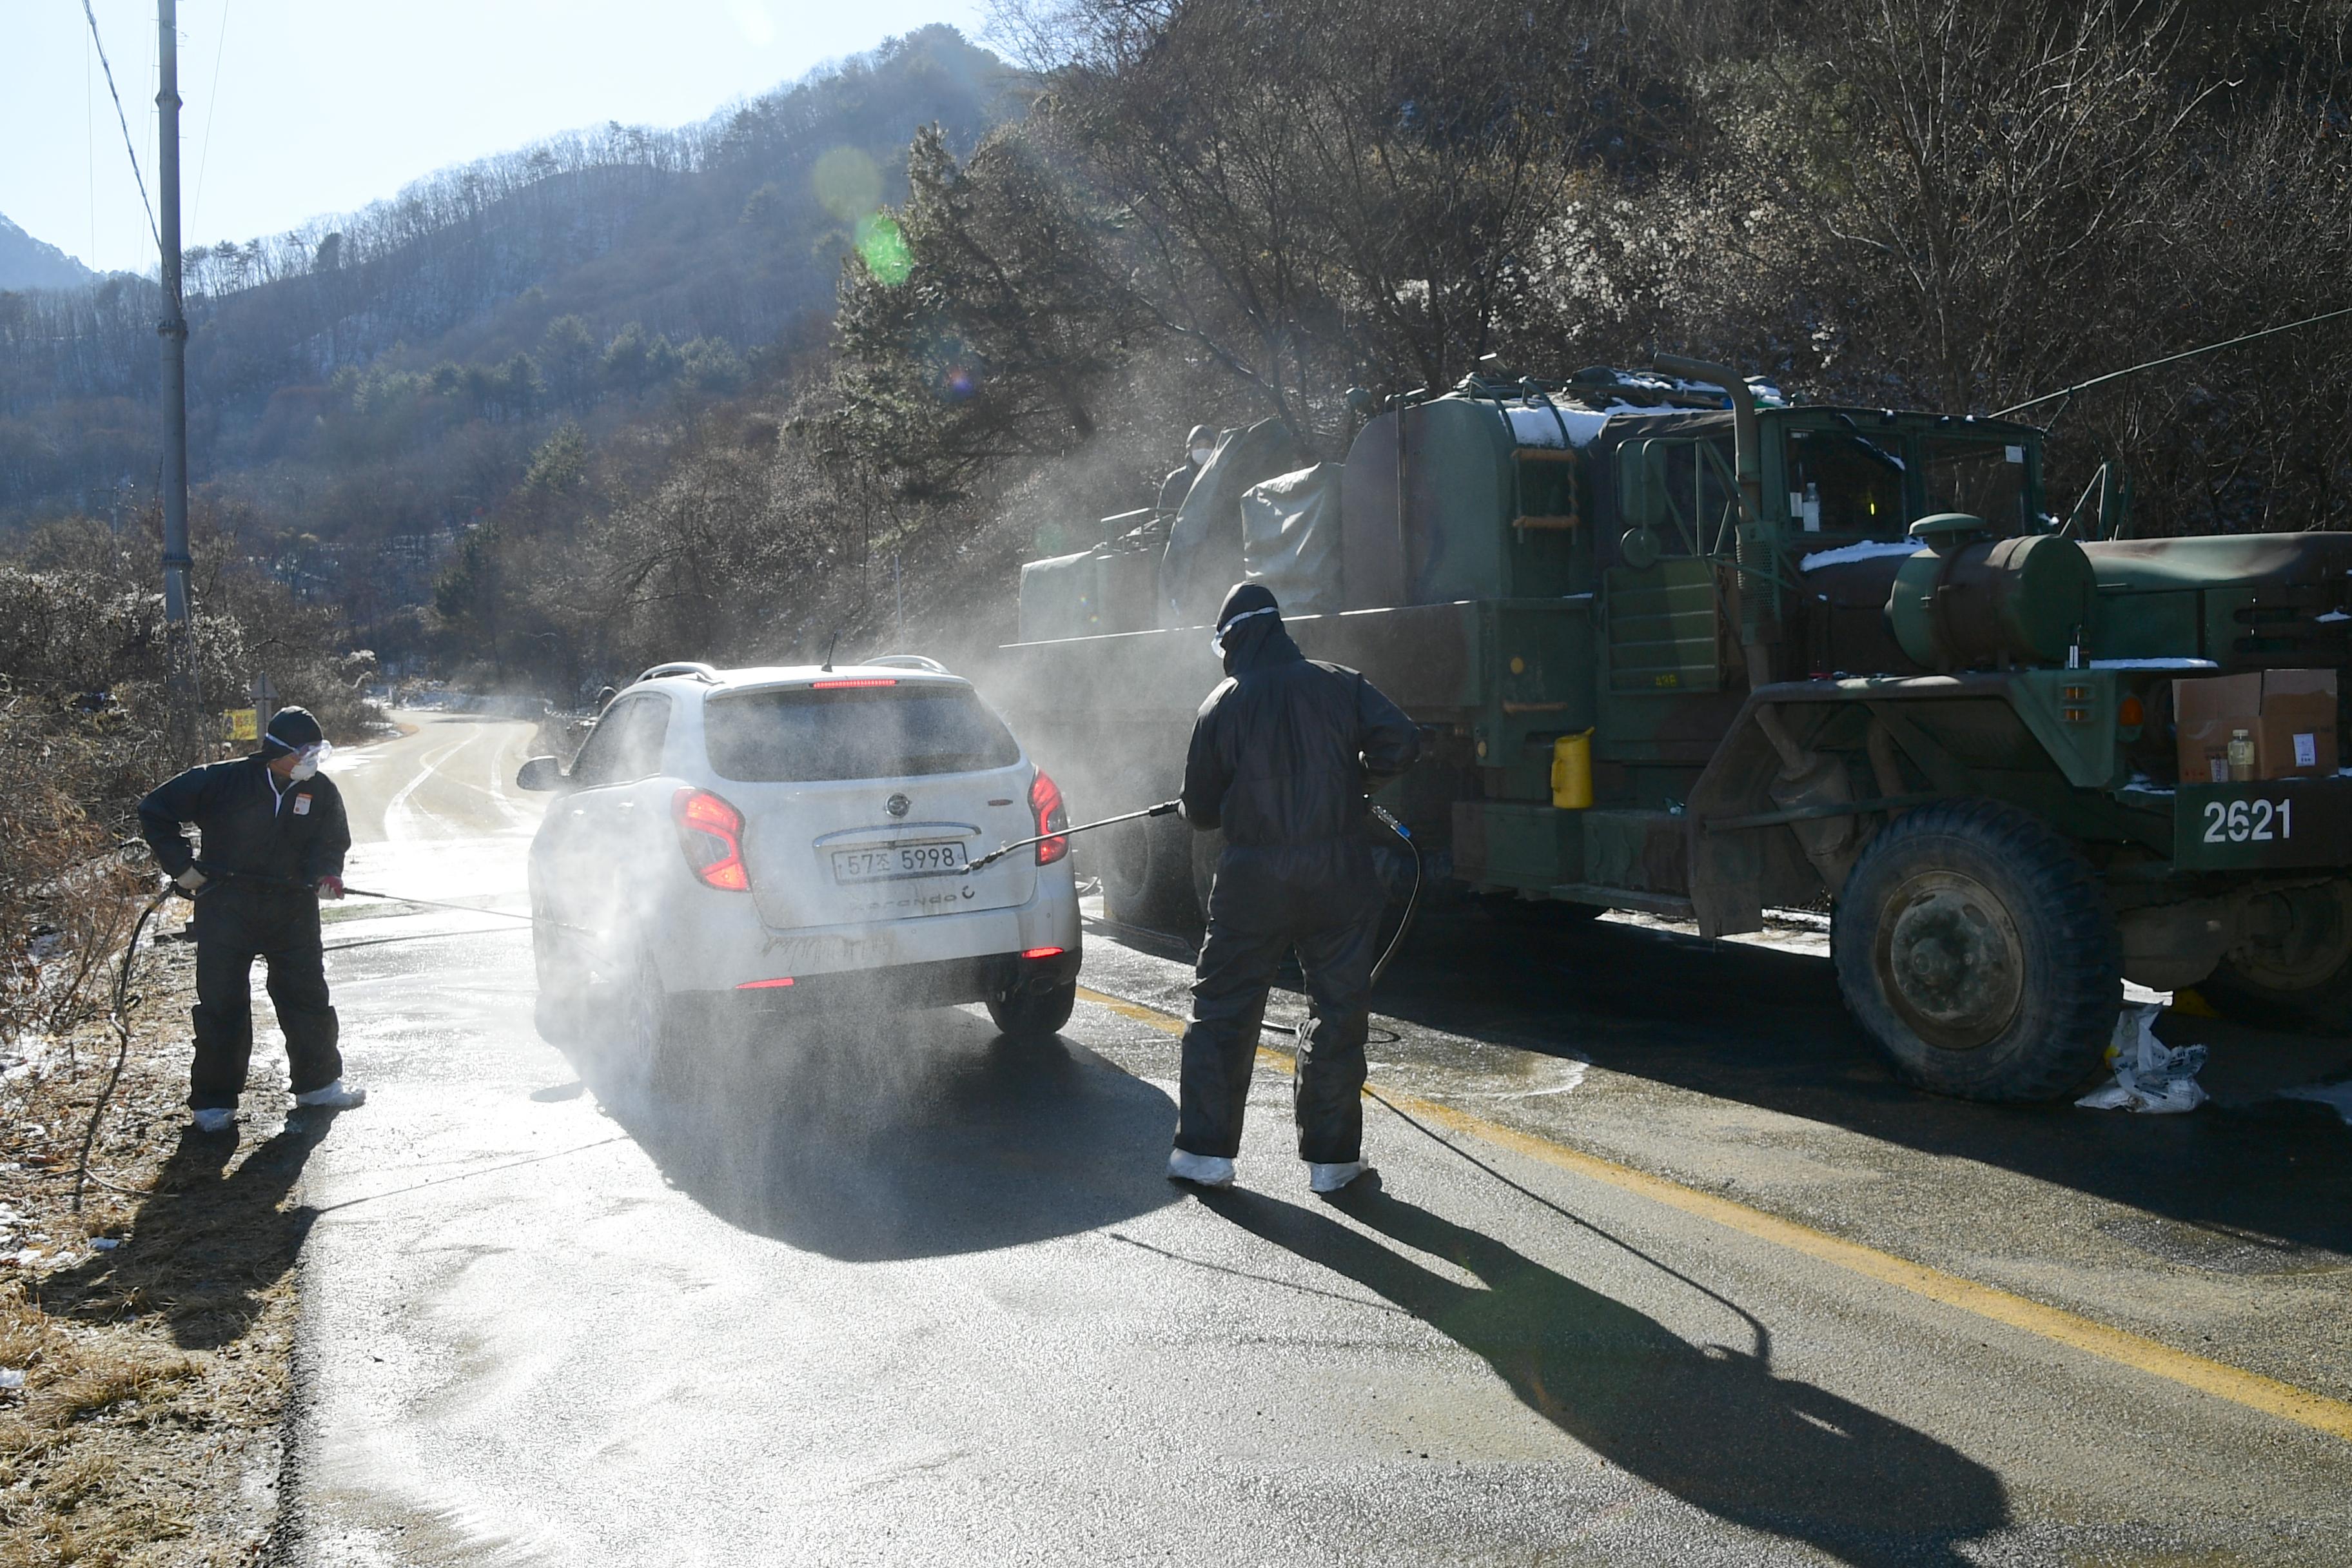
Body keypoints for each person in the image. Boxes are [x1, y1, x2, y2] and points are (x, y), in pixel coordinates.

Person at [1168, 583, 1420, 1195]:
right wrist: (1351, 780)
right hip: (1338, 875)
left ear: (1231, 640)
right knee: (1337, 1013)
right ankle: (1333, 1166)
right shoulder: (1338, 682)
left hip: (1253, 881)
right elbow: (1403, 742)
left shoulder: (1221, 703)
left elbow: (1201, 811)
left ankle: (1205, 1156)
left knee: (1225, 1009)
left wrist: (1209, 801)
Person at [139, 706, 366, 1134]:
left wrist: (326, 874)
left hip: (293, 911)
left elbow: (331, 841)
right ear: (279, 751)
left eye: (318, 752)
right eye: (306, 752)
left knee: (306, 998)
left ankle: (318, 1086)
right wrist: (181, 867)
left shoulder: (320, 791)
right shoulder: (221, 781)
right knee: (222, 1006)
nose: (313, 761)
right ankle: (213, 1105)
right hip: (227, 910)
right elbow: (155, 810)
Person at [1157, 424, 1218, 520]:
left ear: (1215, 450)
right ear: (1190, 450)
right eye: (1198, 446)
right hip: (1179, 535)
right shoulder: (1174, 480)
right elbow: (1162, 519)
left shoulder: (1221, 476)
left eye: (1208, 446)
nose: (1204, 450)